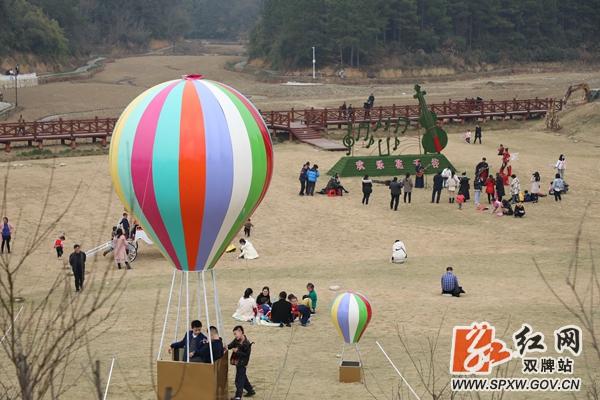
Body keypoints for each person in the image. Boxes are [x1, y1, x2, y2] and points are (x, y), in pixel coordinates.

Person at [228, 325, 255, 400]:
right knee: (243, 378)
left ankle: (238, 396)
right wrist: (225, 347)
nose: (235, 336)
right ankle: (250, 390)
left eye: (235, 334)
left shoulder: (247, 343)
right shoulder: (236, 340)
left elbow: (246, 355)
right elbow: (230, 345)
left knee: (239, 380)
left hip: (243, 364)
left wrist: (237, 351)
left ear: (240, 332)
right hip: (238, 363)